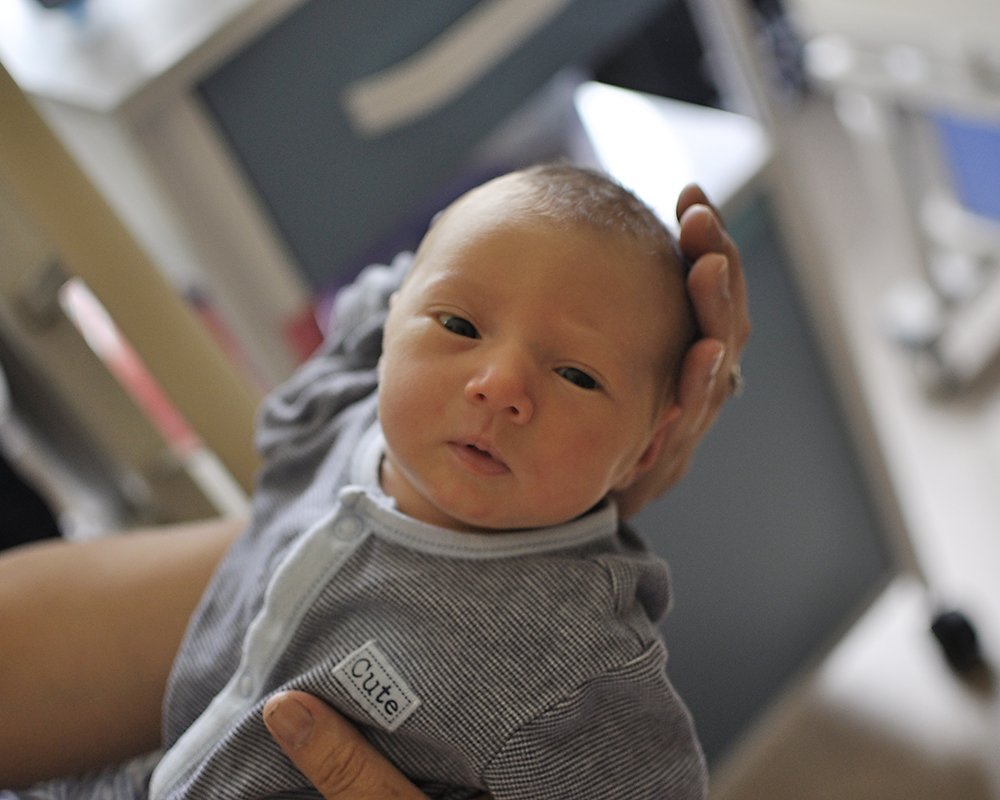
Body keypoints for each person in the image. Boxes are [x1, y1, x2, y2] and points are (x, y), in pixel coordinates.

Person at [0, 178, 750, 799]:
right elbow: (392, 294)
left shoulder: (575, 666)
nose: (499, 385)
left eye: (578, 375)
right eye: (460, 325)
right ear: (391, 332)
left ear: (648, 450)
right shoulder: (338, 415)